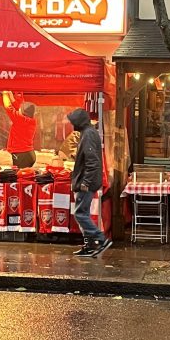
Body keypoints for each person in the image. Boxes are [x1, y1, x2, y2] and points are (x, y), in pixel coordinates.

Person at [66, 108, 111, 256]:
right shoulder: (88, 133)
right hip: (86, 180)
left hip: (86, 182)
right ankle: (90, 245)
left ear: (79, 122)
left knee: (80, 214)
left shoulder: (89, 135)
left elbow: (93, 162)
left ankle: (100, 239)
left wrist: (85, 182)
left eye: (73, 122)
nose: (72, 125)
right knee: (82, 212)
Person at [2, 92, 37, 168]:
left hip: (21, 155)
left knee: (19, 177)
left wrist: (5, 94)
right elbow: (20, 107)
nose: (19, 109)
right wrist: (12, 97)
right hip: (28, 153)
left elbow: (9, 108)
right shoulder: (31, 120)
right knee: (26, 176)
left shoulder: (21, 120)